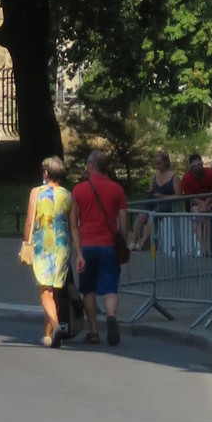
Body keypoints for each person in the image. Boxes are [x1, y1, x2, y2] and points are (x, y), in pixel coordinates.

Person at [72, 148, 129, 347]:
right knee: (110, 287)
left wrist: (78, 252)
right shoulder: (117, 189)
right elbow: (124, 222)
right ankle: (111, 316)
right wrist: (123, 243)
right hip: (109, 247)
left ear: (90, 165)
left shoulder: (79, 190)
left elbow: (74, 224)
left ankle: (94, 331)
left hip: (87, 246)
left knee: (88, 289)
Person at [21, 156, 73, 346]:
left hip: (42, 244)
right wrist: (79, 251)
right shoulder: (68, 195)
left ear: (45, 172)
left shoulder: (36, 192)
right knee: (54, 290)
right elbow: (74, 225)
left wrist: (26, 241)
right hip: (62, 244)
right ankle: (48, 334)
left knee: (45, 290)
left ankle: (56, 326)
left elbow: (29, 220)